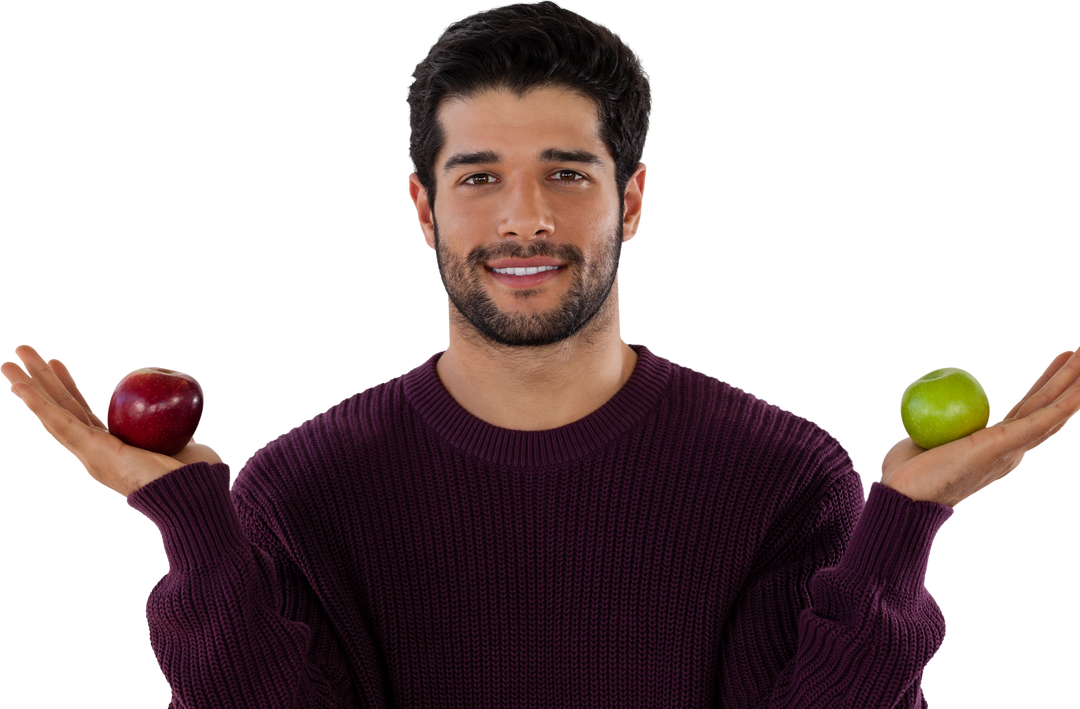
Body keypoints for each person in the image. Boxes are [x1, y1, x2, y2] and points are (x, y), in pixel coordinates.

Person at [3, 2, 1078, 707]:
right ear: (423, 208)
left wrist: (904, 522)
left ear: (634, 199)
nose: (524, 220)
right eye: (479, 178)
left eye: (567, 173)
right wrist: (194, 519)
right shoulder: (300, 486)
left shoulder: (781, 473)